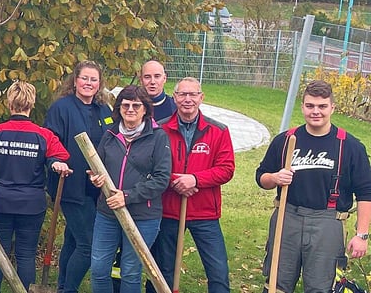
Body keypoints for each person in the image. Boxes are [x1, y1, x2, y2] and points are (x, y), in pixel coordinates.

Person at [256, 80, 371, 292]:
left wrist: (362, 235)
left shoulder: (350, 146)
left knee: (320, 286)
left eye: (322, 106)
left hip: (327, 222)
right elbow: (261, 177)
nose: (315, 111)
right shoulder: (285, 140)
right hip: (286, 218)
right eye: (310, 106)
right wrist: (274, 178)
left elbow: (366, 193)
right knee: (276, 283)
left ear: (332, 108)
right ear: (303, 107)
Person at [0, 80, 71, 293]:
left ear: (9, 104)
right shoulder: (43, 135)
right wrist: (55, 164)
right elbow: (61, 156)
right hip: (31, 205)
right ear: (31, 105)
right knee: (26, 254)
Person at [146, 77, 235, 293]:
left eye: (193, 94)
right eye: (183, 94)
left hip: (205, 212)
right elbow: (148, 166)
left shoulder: (218, 131)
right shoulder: (160, 129)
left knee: (218, 272)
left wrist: (195, 179)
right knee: (162, 270)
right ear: (174, 98)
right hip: (169, 210)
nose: (188, 99)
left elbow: (226, 168)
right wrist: (174, 180)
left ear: (201, 98)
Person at [87, 85, 171, 293]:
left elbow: (162, 179)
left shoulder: (158, 137)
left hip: (144, 215)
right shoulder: (110, 135)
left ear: (145, 109)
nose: (130, 109)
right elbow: (99, 169)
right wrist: (96, 179)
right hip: (108, 213)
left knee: (131, 271)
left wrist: (127, 196)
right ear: (119, 108)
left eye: (136, 105)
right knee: (98, 269)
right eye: (125, 105)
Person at [44, 60, 113, 292]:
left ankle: (63, 285)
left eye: (94, 80)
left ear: (99, 84)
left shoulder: (104, 110)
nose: (88, 83)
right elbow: (50, 141)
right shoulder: (61, 108)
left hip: (97, 187)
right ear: (75, 81)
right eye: (84, 78)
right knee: (88, 244)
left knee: (74, 240)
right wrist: (56, 162)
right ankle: (68, 289)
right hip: (70, 185)